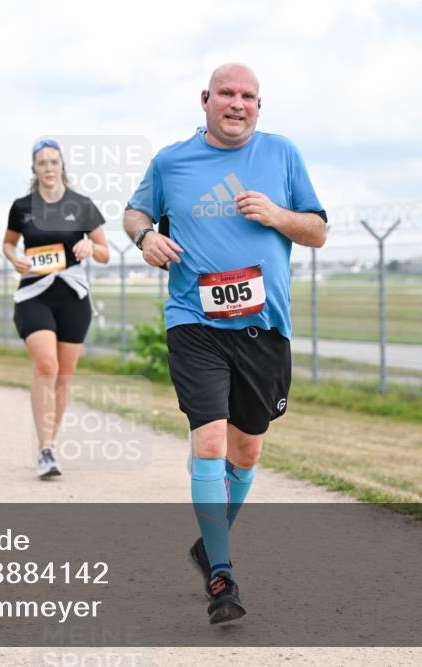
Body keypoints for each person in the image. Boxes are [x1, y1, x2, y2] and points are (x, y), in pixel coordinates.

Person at [123, 63, 327, 624]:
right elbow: (135, 209)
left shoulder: (282, 154)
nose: (238, 103)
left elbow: (318, 231)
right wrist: (146, 236)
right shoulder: (172, 160)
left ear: (259, 105)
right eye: (228, 94)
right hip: (195, 319)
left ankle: (207, 545)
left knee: (247, 452)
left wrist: (278, 215)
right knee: (209, 441)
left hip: (264, 328)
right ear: (206, 99)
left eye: (249, 96)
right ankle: (222, 575)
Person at [3, 139, 110, 478]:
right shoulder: (22, 206)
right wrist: (14, 258)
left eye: (53, 162)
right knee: (46, 365)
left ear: (62, 165)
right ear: (34, 169)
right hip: (34, 292)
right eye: (42, 163)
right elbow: (8, 243)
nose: (48, 168)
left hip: (73, 296)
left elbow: (105, 252)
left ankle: (50, 443)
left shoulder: (82, 205)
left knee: (63, 376)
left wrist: (90, 246)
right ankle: (45, 449)